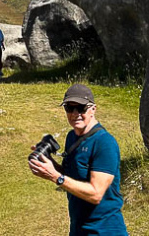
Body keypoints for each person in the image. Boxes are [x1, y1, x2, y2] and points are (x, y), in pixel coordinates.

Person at [28, 84, 128, 235]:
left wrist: (56, 177)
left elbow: (96, 194)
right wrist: (48, 165)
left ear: (93, 109)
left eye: (81, 108)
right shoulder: (72, 137)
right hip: (78, 229)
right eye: (69, 108)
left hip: (104, 230)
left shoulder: (104, 143)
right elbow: (71, 175)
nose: (75, 114)